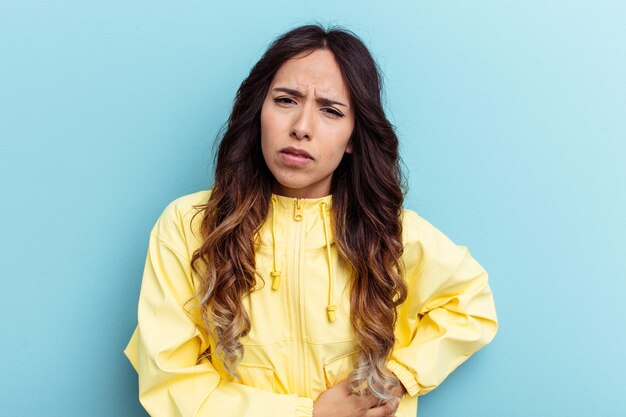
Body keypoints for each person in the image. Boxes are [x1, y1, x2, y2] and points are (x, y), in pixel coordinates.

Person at [124, 24, 498, 417]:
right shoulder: (189, 227)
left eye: (331, 110)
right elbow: (170, 383)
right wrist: (312, 414)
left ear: (353, 135)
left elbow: (472, 303)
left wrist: (398, 377)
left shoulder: (389, 233)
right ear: (259, 112)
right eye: (286, 100)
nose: (302, 127)